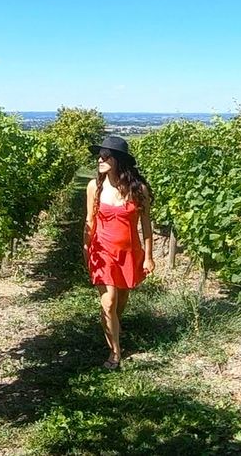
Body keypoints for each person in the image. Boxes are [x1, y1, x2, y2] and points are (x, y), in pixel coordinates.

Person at [84, 134, 155, 369]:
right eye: (99, 155)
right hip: (102, 251)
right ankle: (115, 353)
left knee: (121, 300)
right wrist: (87, 250)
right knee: (109, 301)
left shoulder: (139, 190)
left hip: (129, 252)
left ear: (118, 161)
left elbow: (146, 226)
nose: (100, 159)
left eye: (106, 156)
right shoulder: (95, 187)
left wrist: (149, 256)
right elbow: (89, 222)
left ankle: (113, 326)